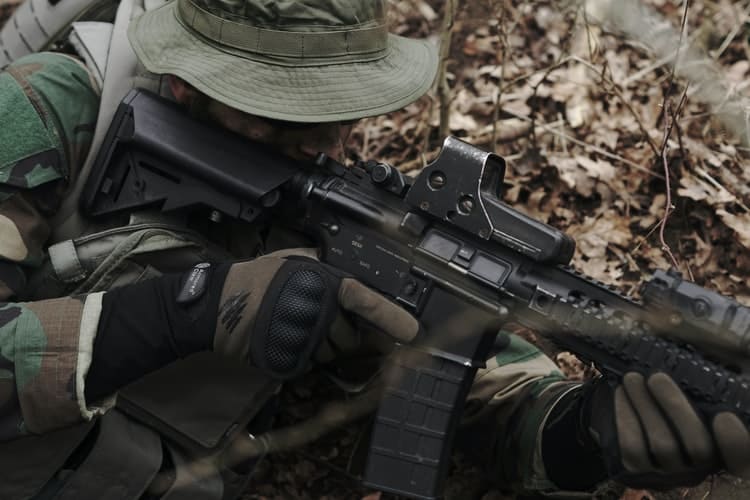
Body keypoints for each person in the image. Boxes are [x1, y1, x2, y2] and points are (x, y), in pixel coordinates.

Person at [0, 0, 749, 498]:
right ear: (185, 78)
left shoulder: (345, 215)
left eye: (341, 110)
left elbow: (500, 405)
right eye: (280, 110)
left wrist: (592, 434)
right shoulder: (47, 110)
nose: (325, 141)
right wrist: (184, 312)